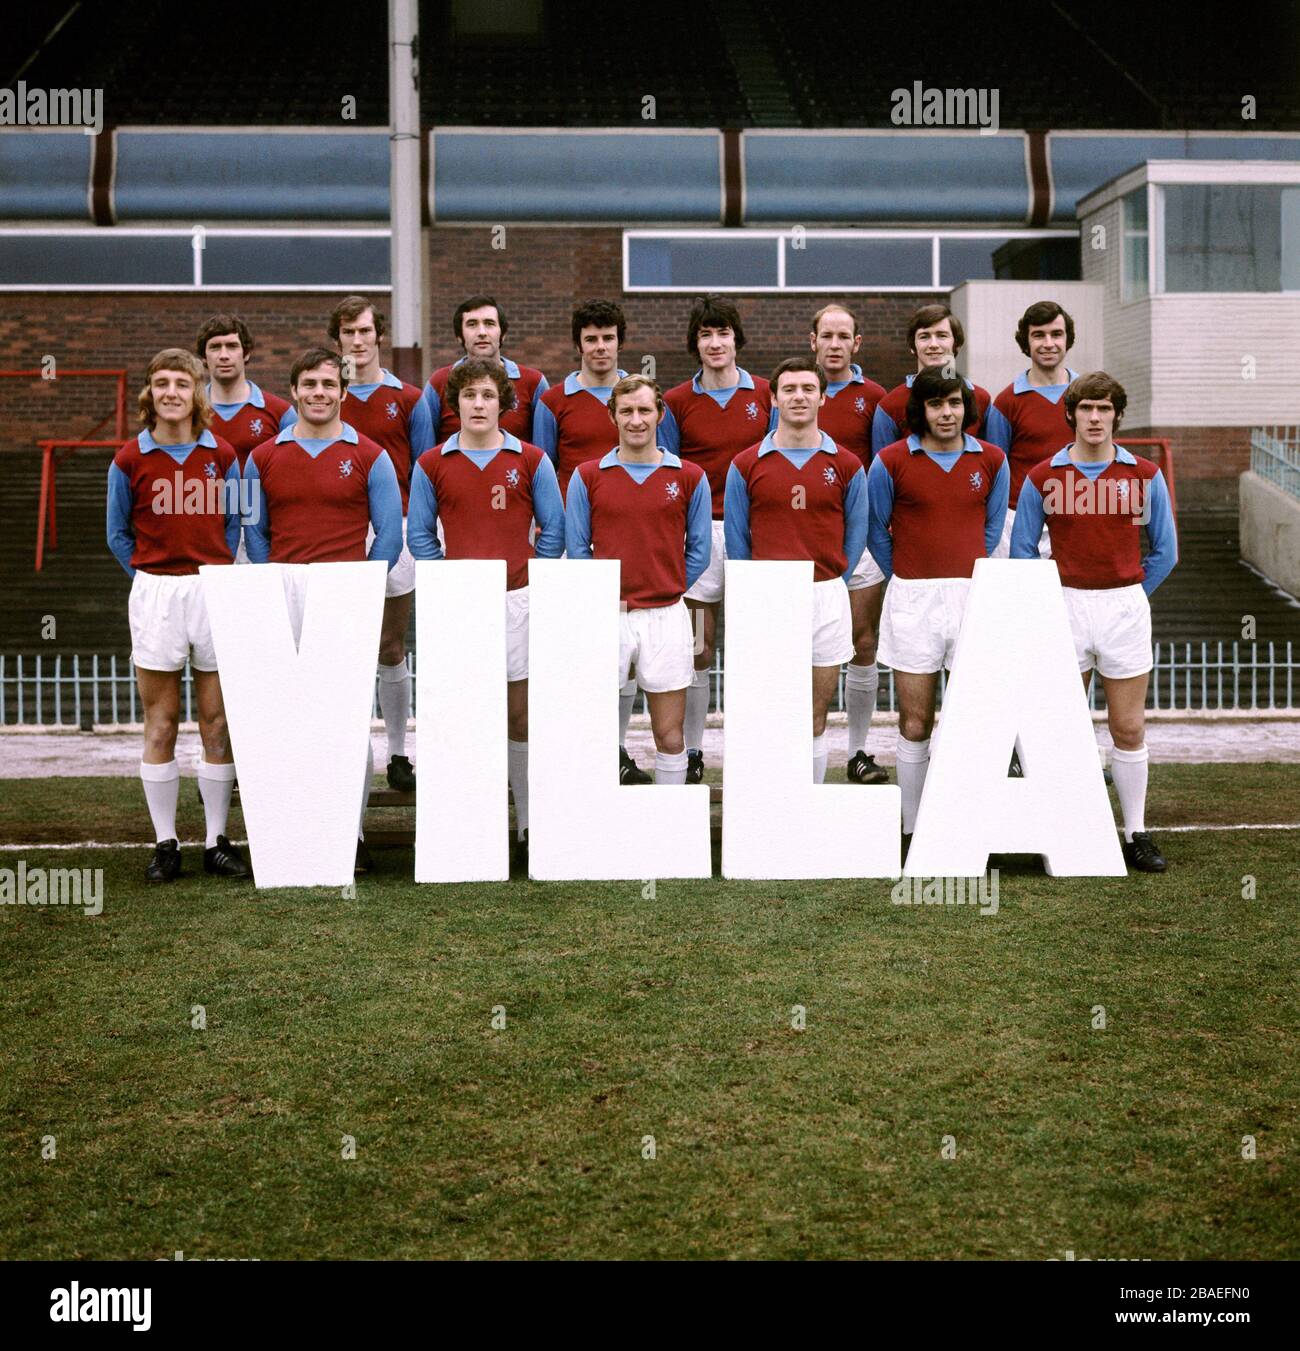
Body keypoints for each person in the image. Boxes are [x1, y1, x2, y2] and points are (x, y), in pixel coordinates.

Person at [243, 348, 403, 872]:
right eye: (309, 383)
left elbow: (390, 534)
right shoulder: (260, 457)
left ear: (342, 392)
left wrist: (361, 585)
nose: (319, 392)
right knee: (291, 718)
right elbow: (253, 529)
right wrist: (273, 582)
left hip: (345, 588)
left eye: (328, 384)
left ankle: (349, 834)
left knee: (347, 720)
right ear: (293, 391)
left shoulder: (371, 455)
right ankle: (296, 828)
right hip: (283, 585)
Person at [1011, 372, 1178, 873]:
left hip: (1123, 606)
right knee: (1061, 726)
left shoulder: (1145, 475)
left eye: (1104, 409)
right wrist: (1050, 600)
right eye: (1086, 408)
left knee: (1127, 726)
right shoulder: (1042, 476)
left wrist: (1130, 593)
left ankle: (1136, 833)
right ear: (1071, 414)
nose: (1095, 418)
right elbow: (1022, 550)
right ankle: (1063, 829)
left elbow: (1165, 552)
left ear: (1117, 415)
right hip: (1064, 604)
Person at [407, 358, 565, 867]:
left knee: (520, 713)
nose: (478, 404)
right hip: (459, 604)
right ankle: (470, 826)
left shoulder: (532, 459)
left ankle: (528, 824)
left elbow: (554, 530)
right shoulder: (431, 462)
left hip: (517, 598)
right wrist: (451, 582)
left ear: (504, 403)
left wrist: (528, 576)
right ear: (455, 404)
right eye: (469, 395)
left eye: (488, 396)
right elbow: (420, 535)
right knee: (465, 713)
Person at [106, 348, 248, 882]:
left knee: (216, 721)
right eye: (161, 383)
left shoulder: (226, 455)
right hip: (157, 591)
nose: (171, 392)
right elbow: (117, 534)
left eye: (181, 383)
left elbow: (240, 522)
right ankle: (166, 843)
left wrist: (216, 576)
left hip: (213, 589)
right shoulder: (128, 459)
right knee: (161, 722)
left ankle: (217, 840)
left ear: (196, 392)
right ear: (150, 392)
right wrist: (150, 578)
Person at [867, 368, 1009, 842]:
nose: (946, 413)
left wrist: (970, 572)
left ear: (966, 408)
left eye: (954, 403)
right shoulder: (890, 461)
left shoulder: (991, 459)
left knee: (972, 716)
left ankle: (969, 823)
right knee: (915, 719)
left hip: (972, 596)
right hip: (913, 596)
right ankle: (912, 827)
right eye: (935, 404)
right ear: (920, 411)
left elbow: (991, 529)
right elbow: (875, 529)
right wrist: (905, 573)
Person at [725, 357, 867, 783]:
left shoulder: (846, 465)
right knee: (767, 710)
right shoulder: (746, 464)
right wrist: (756, 592)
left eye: (808, 388)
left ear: (823, 396)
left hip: (824, 594)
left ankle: (809, 806)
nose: (799, 396)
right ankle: (766, 807)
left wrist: (830, 581)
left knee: (814, 713)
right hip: (766, 598)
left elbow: (856, 537)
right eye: (789, 389)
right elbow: (737, 541)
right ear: (773, 398)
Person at [565, 375, 712, 786]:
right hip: (608, 613)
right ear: (611, 415)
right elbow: (578, 549)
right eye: (626, 411)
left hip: (666, 614)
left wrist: (664, 584)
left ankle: (670, 834)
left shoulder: (688, 476)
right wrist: (605, 596)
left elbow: (699, 550)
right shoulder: (588, 475)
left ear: (660, 414)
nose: (636, 420)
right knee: (595, 733)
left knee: (669, 735)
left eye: (644, 410)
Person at [533, 299, 648, 783]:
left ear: (620, 341)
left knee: (618, 654)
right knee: (574, 650)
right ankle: (573, 747)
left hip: (623, 538)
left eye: (608, 338)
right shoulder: (553, 400)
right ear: (578, 344)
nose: (600, 347)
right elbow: (539, 464)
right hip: (567, 540)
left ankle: (615, 748)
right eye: (591, 339)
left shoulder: (639, 398)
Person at [660, 294, 772, 784]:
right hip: (701, 537)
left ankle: (753, 751)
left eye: (722, 332)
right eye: (705, 334)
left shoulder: (767, 393)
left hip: (755, 535)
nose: (715, 342)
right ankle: (694, 751)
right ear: (695, 343)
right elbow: (671, 472)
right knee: (699, 649)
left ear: (736, 339)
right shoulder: (677, 402)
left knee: (754, 648)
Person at [325, 294, 434, 793]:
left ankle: (397, 753)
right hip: (335, 533)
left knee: (391, 646)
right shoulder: (323, 395)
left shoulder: (409, 398)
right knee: (342, 649)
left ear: (379, 336)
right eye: (348, 333)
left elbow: (427, 466)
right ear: (337, 340)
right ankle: (342, 751)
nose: (357, 340)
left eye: (365, 331)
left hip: (399, 525)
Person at [805, 303, 890, 784]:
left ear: (856, 344)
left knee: (862, 644)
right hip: (804, 542)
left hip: (855, 541)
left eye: (844, 336)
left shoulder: (874, 397)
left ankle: (858, 751)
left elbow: (879, 468)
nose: (834, 344)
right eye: (826, 336)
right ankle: (798, 746)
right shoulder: (790, 388)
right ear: (812, 340)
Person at [991, 300, 1079, 558]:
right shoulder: (1007, 402)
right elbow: (997, 469)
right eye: (1038, 335)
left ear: (1068, 339)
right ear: (1026, 342)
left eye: (1056, 334)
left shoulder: (1089, 396)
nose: (1048, 343)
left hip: (1076, 514)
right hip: (1017, 519)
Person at [870, 302, 1011, 457]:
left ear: (956, 344)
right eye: (924, 337)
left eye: (942, 335)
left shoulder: (980, 399)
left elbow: (994, 461)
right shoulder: (890, 405)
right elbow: (883, 467)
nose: (933, 345)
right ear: (912, 346)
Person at [423, 294, 549, 442]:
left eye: (489, 323)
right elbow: (426, 453)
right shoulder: (439, 382)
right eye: (472, 324)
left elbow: (543, 452)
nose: (482, 332)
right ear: (459, 336)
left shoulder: (534, 382)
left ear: (503, 334)